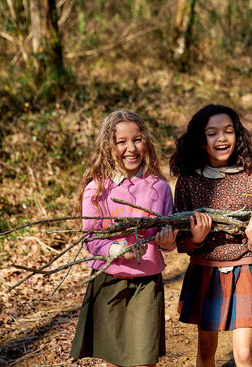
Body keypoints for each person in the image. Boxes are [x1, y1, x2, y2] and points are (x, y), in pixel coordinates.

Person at [70, 110, 178, 367]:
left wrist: (166, 242)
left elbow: (170, 238)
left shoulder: (159, 187)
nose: (131, 148)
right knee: (115, 361)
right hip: (109, 282)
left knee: (144, 359)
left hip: (146, 284)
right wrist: (116, 248)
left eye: (137, 139)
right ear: (108, 147)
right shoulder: (96, 189)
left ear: (146, 142)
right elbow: (91, 239)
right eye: (121, 142)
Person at [169, 104, 252, 367]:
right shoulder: (189, 182)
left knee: (245, 354)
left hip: (243, 267)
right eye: (212, 133)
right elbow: (182, 242)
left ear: (238, 136)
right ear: (201, 141)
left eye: (228, 131)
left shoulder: (251, 179)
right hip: (205, 270)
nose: (221, 138)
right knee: (206, 349)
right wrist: (197, 239)